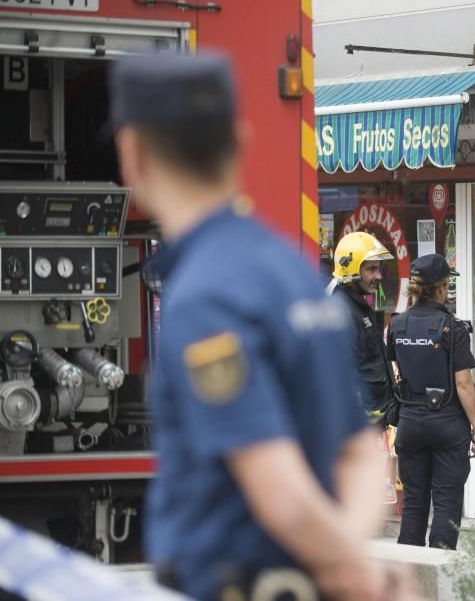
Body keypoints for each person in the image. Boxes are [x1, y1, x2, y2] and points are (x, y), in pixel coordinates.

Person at [110, 52, 398, 600]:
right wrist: (347, 558)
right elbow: (361, 450)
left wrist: (353, 574)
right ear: (240, 143)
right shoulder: (292, 271)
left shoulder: (203, 298)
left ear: (133, 155)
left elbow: (280, 493)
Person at [387, 254, 475, 550]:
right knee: (446, 501)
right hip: (447, 424)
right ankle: (439, 571)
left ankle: (411, 577)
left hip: (411, 423)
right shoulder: (451, 327)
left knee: (414, 501)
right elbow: (464, 384)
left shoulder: (396, 325)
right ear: (441, 287)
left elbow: (393, 373)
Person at [326, 231, 395, 418]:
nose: (379, 275)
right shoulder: (341, 310)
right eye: (371, 269)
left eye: (379, 269)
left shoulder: (359, 305)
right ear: (351, 270)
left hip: (375, 415)